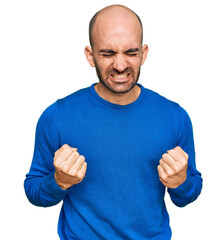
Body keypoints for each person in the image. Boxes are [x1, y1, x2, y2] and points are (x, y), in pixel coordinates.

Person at [24, 4, 203, 240]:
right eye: (108, 54)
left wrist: (181, 183)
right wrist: (59, 181)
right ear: (90, 55)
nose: (120, 66)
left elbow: (188, 194)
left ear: (144, 53)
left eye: (131, 52)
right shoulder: (56, 117)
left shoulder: (175, 117)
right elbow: (34, 191)